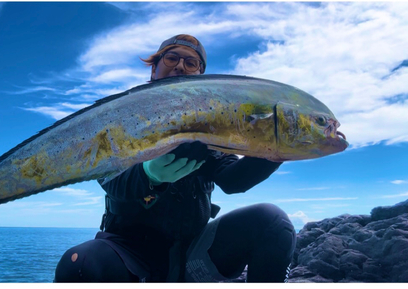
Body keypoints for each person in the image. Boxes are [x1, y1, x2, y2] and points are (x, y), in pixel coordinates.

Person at [54, 34, 296, 283]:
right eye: (171, 58)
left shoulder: (212, 128)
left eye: (191, 63)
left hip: (193, 254)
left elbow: (233, 180)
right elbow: (111, 181)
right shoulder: (121, 119)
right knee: (79, 264)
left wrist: (277, 150)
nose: (180, 65)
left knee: (272, 221)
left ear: (200, 77)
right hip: (127, 251)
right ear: (154, 69)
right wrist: (149, 175)